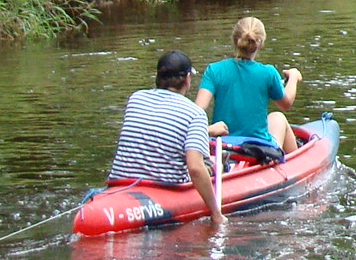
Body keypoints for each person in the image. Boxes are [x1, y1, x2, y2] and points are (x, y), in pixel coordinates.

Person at [106, 50, 225, 221]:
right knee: (214, 163)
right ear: (187, 79)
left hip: (121, 183)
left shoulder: (136, 98)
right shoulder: (195, 113)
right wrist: (216, 213)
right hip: (164, 188)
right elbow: (195, 169)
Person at [197, 16, 302, 155]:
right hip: (257, 149)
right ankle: (295, 163)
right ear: (260, 42)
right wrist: (293, 77)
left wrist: (206, 130)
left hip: (221, 145)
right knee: (278, 118)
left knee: (274, 117)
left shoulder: (214, 70)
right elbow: (286, 104)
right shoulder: (268, 72)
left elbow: (197, 110)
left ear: (235, 39)